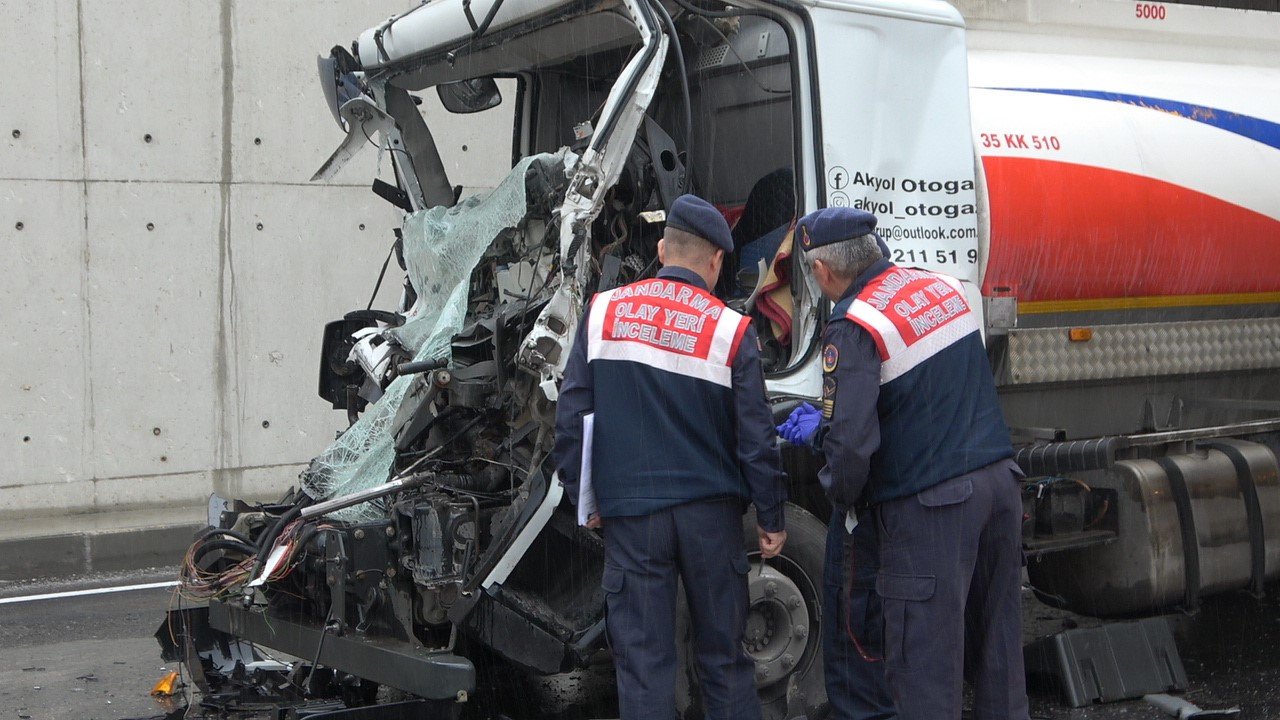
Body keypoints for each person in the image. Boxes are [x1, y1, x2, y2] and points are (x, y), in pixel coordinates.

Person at [778, 207, 1028, 720]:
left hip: (934, 513)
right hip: (1000, 488)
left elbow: (849, 450)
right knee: (998, 656)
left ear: (823, 271)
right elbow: (932, 392)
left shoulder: (854, 325)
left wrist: (842, 499)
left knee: (924, 672)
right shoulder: (941, 287)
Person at [553, 194, 790, 720]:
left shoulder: (603, 313)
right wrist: (771, 516)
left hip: (633, 519)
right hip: (711, 518)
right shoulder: (731, 331)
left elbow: (571, 419)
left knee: (643, 665)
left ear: (662, 249)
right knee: (724, 662)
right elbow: (756, 438)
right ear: (716, 261)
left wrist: (583, 497)